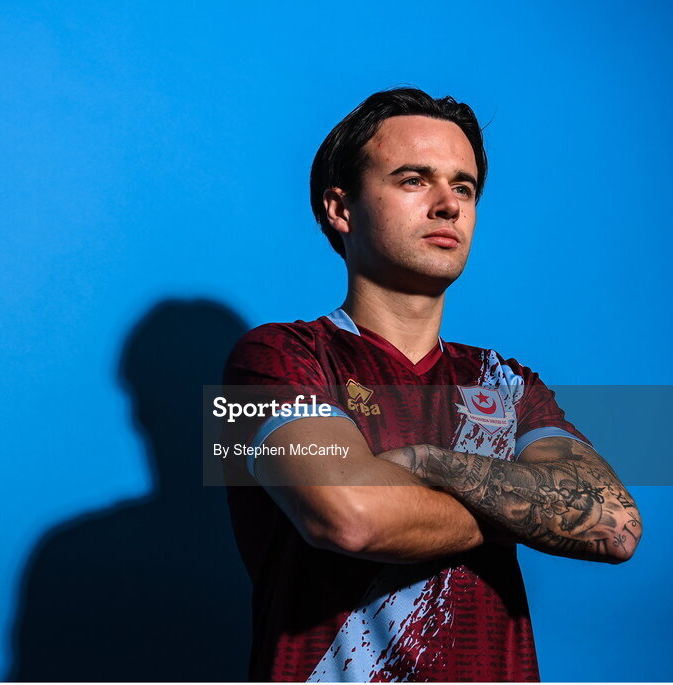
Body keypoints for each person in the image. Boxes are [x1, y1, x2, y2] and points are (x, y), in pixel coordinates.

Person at [220, 87, 642, 682]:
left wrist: (426, 463)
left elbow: (614, 525)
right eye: (414, 180)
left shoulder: (507, 383)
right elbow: (351, 515)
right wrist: (527, 506)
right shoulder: (280, 356)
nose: (448, 205)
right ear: (341, 209)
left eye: (463, 187)